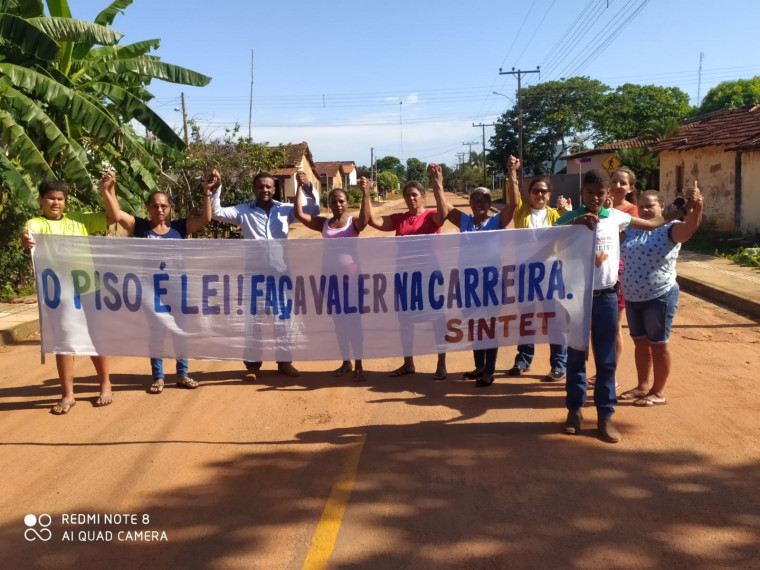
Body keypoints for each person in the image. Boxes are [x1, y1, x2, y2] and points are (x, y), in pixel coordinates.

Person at [556, 168, 668, 443]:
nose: (594, 197)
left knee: (606, 361)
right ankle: (574, 412)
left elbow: (652, 225)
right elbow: (548, 240)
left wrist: (680, 212)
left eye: (599, 193)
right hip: (576, 297)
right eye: (589, 192)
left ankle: (605, 416)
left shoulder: (617, 218)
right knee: (575, 359)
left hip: (606, 297)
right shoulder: (571, 218)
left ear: (608, 194)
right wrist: (573, 223)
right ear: (581, 193)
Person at [99, 171, 214, 393]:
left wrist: (207, 192)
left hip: (179, 291)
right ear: (148, 209)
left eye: (163, 206)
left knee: (180, 333)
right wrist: (106, 190)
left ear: (169, 208)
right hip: (151, 293)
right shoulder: (140, 228)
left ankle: (182, 374)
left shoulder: (180, 228)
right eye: (154, 206)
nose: (159, 210)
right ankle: (158, 377)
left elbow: (206, 219)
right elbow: (115, 214)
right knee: (157, 335)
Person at [210, 170, 320, 379]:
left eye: (269, 186)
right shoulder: (243, 212)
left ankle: (285, 363)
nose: (265, 190)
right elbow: (216, 212)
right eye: (260, 186)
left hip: (281, 276)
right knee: (253, 322)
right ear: (254, 189)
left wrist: (307, 187)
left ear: (274, 189)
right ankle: (252, 367)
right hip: (254, 277)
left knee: (284, 320)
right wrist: (216, 188)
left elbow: (313, 210)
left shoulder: (286, 210)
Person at [20, 177, 117, 414]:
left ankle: (105, 384)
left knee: (96, 336)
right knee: (64, 340)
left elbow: (113, 217)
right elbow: (28, 235)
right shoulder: (38, 223)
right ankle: (68, 393)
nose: (56, 202)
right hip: (58, 292)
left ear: (66, 202)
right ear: (41, 200)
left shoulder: (80, 220)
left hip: (88, 287)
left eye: (60, 199)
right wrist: (25, 239)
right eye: (51, 198)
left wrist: (106, 191)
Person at [618, 183, 704, 406]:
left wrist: (698, 205)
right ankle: (642, 386)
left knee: (658, 344)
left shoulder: (671, 228)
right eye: (642, 207)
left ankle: (658, 392)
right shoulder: (632, 229)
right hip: (633, 296)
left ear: (662, 207)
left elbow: (690, 229)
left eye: (650, 206)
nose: (645, 210)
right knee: (640, 344)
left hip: (659, 296)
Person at [436, 163, 516, 387]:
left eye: (484, 200)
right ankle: (479, 365)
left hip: (491, 284)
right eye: (475, 199)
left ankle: (489, 371)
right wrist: (438, 183)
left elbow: (515, 204)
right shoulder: (465, 221)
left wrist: (511, 174)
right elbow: (444, 209)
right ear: (470, 203)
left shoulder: (496, 221)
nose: (479, 203)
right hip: (468, 284)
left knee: (489, 326)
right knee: (473, 326)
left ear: (490, 204)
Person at [366, 168, 448, 379]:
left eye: (414, 195)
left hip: (430, 276)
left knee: (437, 320)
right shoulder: (399, 219)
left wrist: (438, 182)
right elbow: (374, 221)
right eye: (407, 195)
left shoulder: (431, 217)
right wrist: (366, 194)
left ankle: (441, 365)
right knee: (406, 322)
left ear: (423, 197)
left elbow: (444, 213)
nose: (410, 199)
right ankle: (408, 363)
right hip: (405, 277)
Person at [293, 176, 371, 381]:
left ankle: (359, 365)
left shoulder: (353, 223)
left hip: (352, 281)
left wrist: (366, 193)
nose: (337, 204)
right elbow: (299, 215)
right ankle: (346, 362)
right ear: (329, 205)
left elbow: (365, 219)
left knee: (354, 323)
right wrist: (300, 187)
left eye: (341, 201)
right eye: (333, 201)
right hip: (330, 281)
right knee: (339, 323)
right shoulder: (324, 224)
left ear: (347, 203)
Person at [504, 155, 568, 382]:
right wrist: (513, 172)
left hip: (551, 274)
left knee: (554, 319)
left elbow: (571, 230)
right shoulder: (521, 212)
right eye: (535, 191)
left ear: (549, 195)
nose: (539, 195)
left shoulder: (555, 214)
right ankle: (523, 360)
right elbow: (513, 195)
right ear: (529, 194)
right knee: (526, 319)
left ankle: (559, 365)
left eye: (543, 191)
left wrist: (565, 212)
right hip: (525, 274)